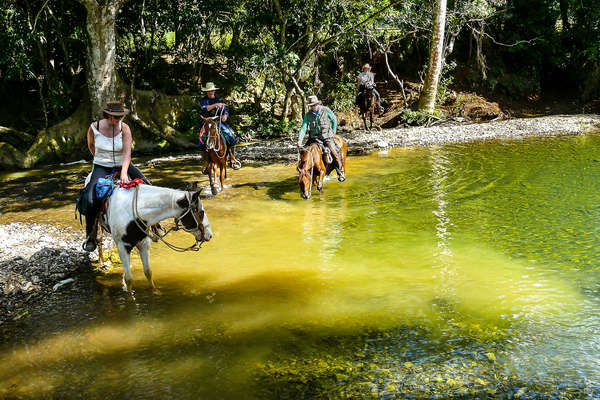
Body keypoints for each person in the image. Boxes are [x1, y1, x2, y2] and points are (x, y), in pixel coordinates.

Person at [82, 101, 151, 252]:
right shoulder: (94, 127)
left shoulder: (125, 128)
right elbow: (91, 145)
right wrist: (99, 159)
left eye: (120, 117)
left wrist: (125, 172)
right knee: (90, 198)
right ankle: (90, 236)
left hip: (122, 164)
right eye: (115, 117)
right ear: (108, 115)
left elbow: (127, 153)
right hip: (101, 166)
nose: (118, 120)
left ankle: (154, 226)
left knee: (148, 186)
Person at [297, 95, 345, 182]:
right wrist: (300, 140)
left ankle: (340, 172)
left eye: (314, 105)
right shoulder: (308, 115)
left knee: (334, 153)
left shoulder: (325, 110)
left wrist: (333, 133)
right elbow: (304, 127)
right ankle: (304, 173)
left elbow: (334, 120)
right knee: (304, 153)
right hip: (314, 138)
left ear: (317, 104)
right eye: (311, 106)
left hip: (326, 137)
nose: (313, 107)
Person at [198, 82, 241, 170]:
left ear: (214, 91)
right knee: (200, 144)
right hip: (207, 123)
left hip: (219, 122)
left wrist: (225, 116)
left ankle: (232, 159)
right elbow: (205, 109)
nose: (211, 92)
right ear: (206, 92)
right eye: (209, 91)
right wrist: (215, 105)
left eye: (212, 90)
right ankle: (206, 163)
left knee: (231, 138)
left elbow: (225, 111)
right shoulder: (203, 100)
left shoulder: (220, 100)